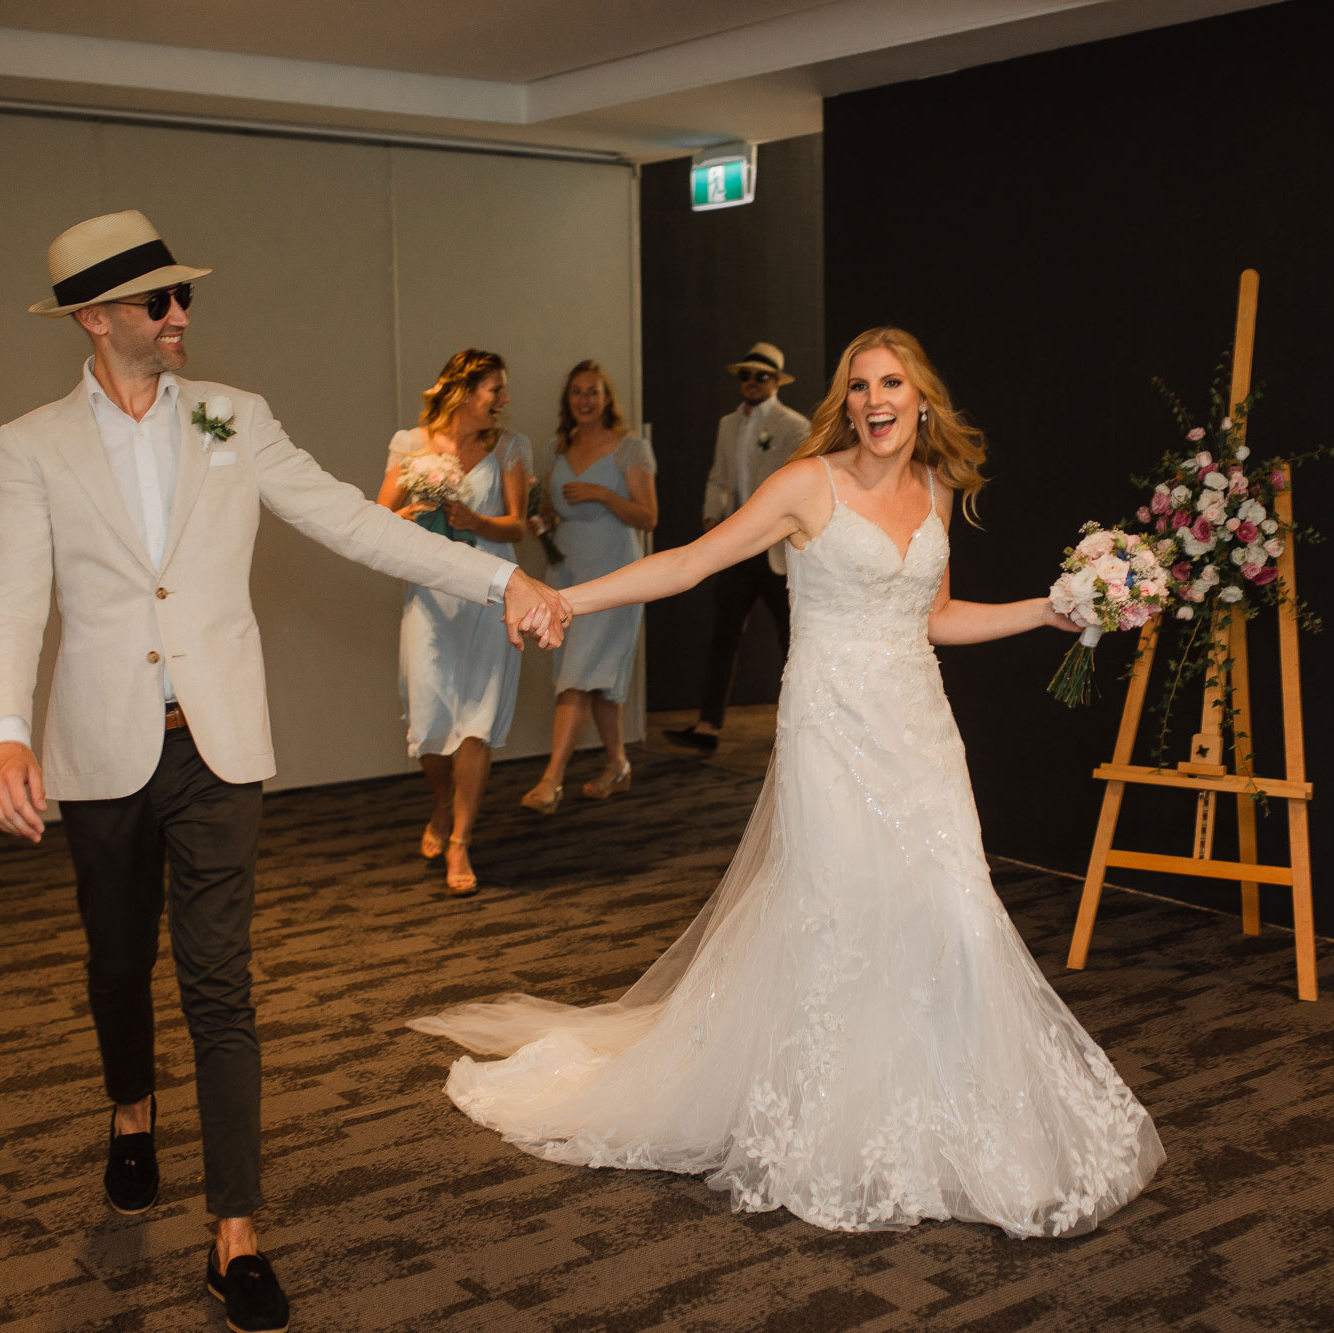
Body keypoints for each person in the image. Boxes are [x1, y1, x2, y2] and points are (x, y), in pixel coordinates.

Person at [422, 328, 1163, 1238]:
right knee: (843, 916)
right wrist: (567, 600)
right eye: (859, 387)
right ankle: (838, 1127)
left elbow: (931, 618)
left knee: (954, 913)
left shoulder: (936, 489)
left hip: (922, 735)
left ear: (921, 399)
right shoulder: (807, 485)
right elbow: (689, 562)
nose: (874, 400)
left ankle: (947, 1118)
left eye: (892, 384)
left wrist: (1051, 610)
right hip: (830, 731)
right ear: (844, 402)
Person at [0, 211, 565, 1332]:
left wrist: (496, 583)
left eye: (182, 296)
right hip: (101, 750)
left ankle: (235, 1234)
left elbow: (354, 522)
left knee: (221, 986)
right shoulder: (32, 442)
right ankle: (131, 1108)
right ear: (97, 320)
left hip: (218, 749)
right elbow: (12, 595)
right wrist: (3, 727)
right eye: (159, 301)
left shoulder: (232, 417)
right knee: (115, 963)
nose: (181, 313)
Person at [378, 350, 531, 896]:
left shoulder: (511, 447)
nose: (504, 400)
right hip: (431, 597)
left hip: (490, 596)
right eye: (496, 390)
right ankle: (442, 801)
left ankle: (461, 839)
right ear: (467, 392)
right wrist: (413, 516)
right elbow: (379, 518)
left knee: (477, 719)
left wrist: (476, 521)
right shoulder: (410, 445)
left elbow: (516, 526)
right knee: (431, 714)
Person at [519, 360, 658, 814]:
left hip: (615, 574)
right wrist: (543, 522)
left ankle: (550, 781)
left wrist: (603, 494)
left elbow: (648, 517)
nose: (584, 400)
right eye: (576, 392)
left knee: (577, 675)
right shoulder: (556, 447)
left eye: (592, 392)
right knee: (592, 677)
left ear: (606, 399)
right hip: (567, 575)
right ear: (568, 401)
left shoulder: (630, 449)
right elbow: (552, 512)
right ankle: (617, 764)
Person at [662, 341, 810, 755]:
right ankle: (708, 726)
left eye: (760, 375)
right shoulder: (728, 423)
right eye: (745, 375)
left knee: (793, 639)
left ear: (777, 382)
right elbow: (719, 476)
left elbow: (802, 486)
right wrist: (712, 517)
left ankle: (798, 729)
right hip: (736, 545)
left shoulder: (795, 426)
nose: (751, 382)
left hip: (779, 549)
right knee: (723, 634)